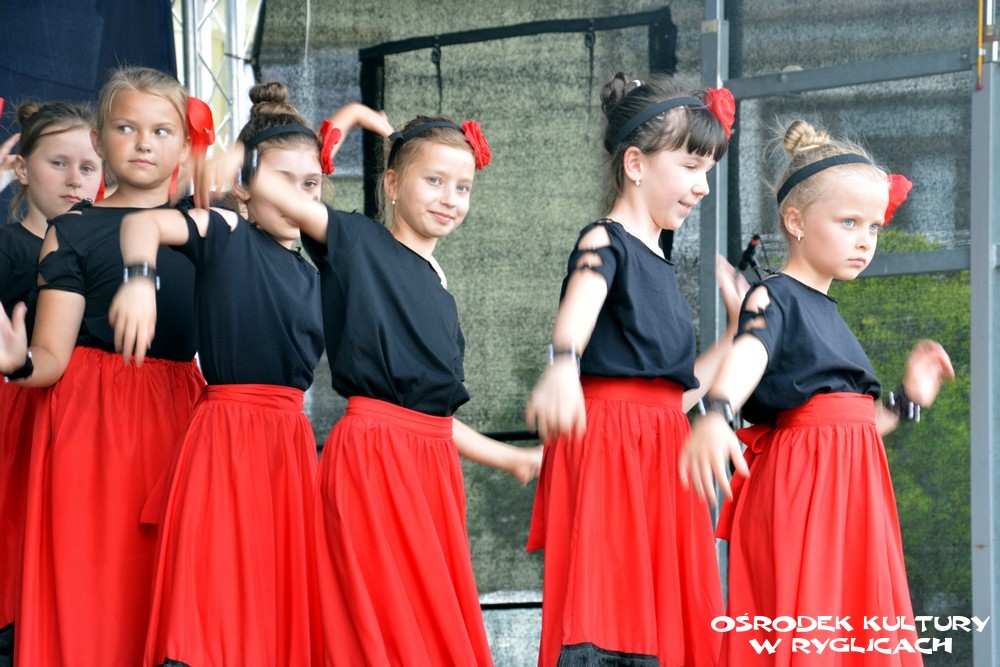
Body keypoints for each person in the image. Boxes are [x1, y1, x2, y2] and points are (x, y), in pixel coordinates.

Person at [225, 103, 540, 665]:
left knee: (430, 629)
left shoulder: (439, 288)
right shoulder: (356, 241)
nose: (450, 198)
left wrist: (510, 458)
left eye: (463, 187)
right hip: (375, 461)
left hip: (431, 470)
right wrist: (340, 121)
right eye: (434, 180)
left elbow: (434, 417)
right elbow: (281, 190)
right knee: (385, 631)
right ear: (391, 183)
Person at [681, 119, 955, 665]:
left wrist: (907, 400)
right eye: (849, 221)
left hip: (852, 492)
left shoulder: (827, 313)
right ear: (796, 221)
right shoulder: (773, 296)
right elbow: (750, 350)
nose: (865, 239)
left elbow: (850, 424)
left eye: (873, 226)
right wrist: (716, 411)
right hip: (806, 490)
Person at [524, 73, 742, 666]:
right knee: (611, 619)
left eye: (707, 171)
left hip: (662, 448)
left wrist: (734, 333)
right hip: (613, 448)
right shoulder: (605, 239)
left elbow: (677, 394)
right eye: (690, 166)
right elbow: (582, 297)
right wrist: (563, 363)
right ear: (636, 164)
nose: (702, 186)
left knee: (673, 621)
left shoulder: (659, 263)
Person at [110, 80, 327, 667]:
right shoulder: (228, 232)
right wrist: (138, 281)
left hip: (288, 444)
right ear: (245, 187)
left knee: (273, 598)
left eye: (310, 184)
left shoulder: (316, 274)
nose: (298, 197)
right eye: (282, 181)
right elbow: (142, 227)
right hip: (226, 435)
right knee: (211, 595)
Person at [0, 66, 204, 666]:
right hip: (90, 427)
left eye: (162, 131)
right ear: (100, 138)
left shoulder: (209, 229)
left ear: (185, 147)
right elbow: (52, 355)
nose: (143, 143)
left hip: (182, 424)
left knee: (167, 594)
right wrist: (19, 363)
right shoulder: (72, 230)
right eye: (125, 127)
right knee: (92, 590)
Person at [0, 100, 102, 666]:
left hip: (76, 427)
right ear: (22, 169)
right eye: (58, 163)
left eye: (87, 166)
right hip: (14, 419)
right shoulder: (7, 246)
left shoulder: (104, 246)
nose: (74, 180)